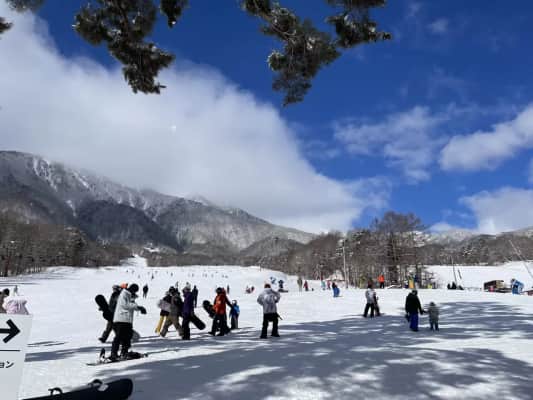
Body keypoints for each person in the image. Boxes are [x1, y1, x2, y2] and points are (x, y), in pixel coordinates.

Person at [110, 283, 146, 361]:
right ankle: (113, 354)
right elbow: (125, 305)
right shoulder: (124, 294)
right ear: (132, 289)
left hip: (127, 320)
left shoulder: (129, 295)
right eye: (135, 291)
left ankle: (124, 352)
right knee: (119, 337)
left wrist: (139, 309)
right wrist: (138, 307)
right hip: (121, 319)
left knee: (127, 337)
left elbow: (132, 305)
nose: (135, 292)